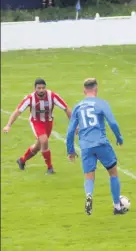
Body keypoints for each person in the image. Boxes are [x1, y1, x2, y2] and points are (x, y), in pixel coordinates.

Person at [66, 78, 125, 216]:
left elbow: (70, 131)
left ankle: (88, 195)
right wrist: (119, 137)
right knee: (113, 173)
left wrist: (70, 150)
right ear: (96, 89)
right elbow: (112, 122)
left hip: (85, 146)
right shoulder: (101, 104)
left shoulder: (78, 106)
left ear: (84, 90)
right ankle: (117, 206)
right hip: (101, 143)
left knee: (89, 176)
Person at [3, 78, 71, 174]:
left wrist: (73, 124)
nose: (41, 90)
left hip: (48, 122)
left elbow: (66, 108)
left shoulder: (52, 96)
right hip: (36, 122)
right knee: (44, 140)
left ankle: (22, 160)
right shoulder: (30, 98)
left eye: (43, 88)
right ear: (35, 88)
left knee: (38, 146)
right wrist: (8, 125)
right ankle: (50, 168)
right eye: (39, 88)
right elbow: (17, 112)